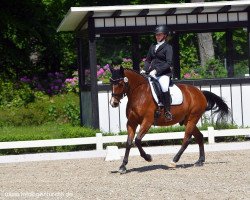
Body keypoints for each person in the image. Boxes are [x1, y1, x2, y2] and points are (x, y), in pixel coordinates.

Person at [141, 25, 173, 120]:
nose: (157, 36)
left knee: (163, 87)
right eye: (156, 35)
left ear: (164, 36)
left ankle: (167, 111)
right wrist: (145, 69)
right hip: (152, 73)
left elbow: (169, 63)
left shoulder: (168, 47)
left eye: (159, 35)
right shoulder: (153, 46)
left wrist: (157, 70)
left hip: (164, 74)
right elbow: (148, 60)